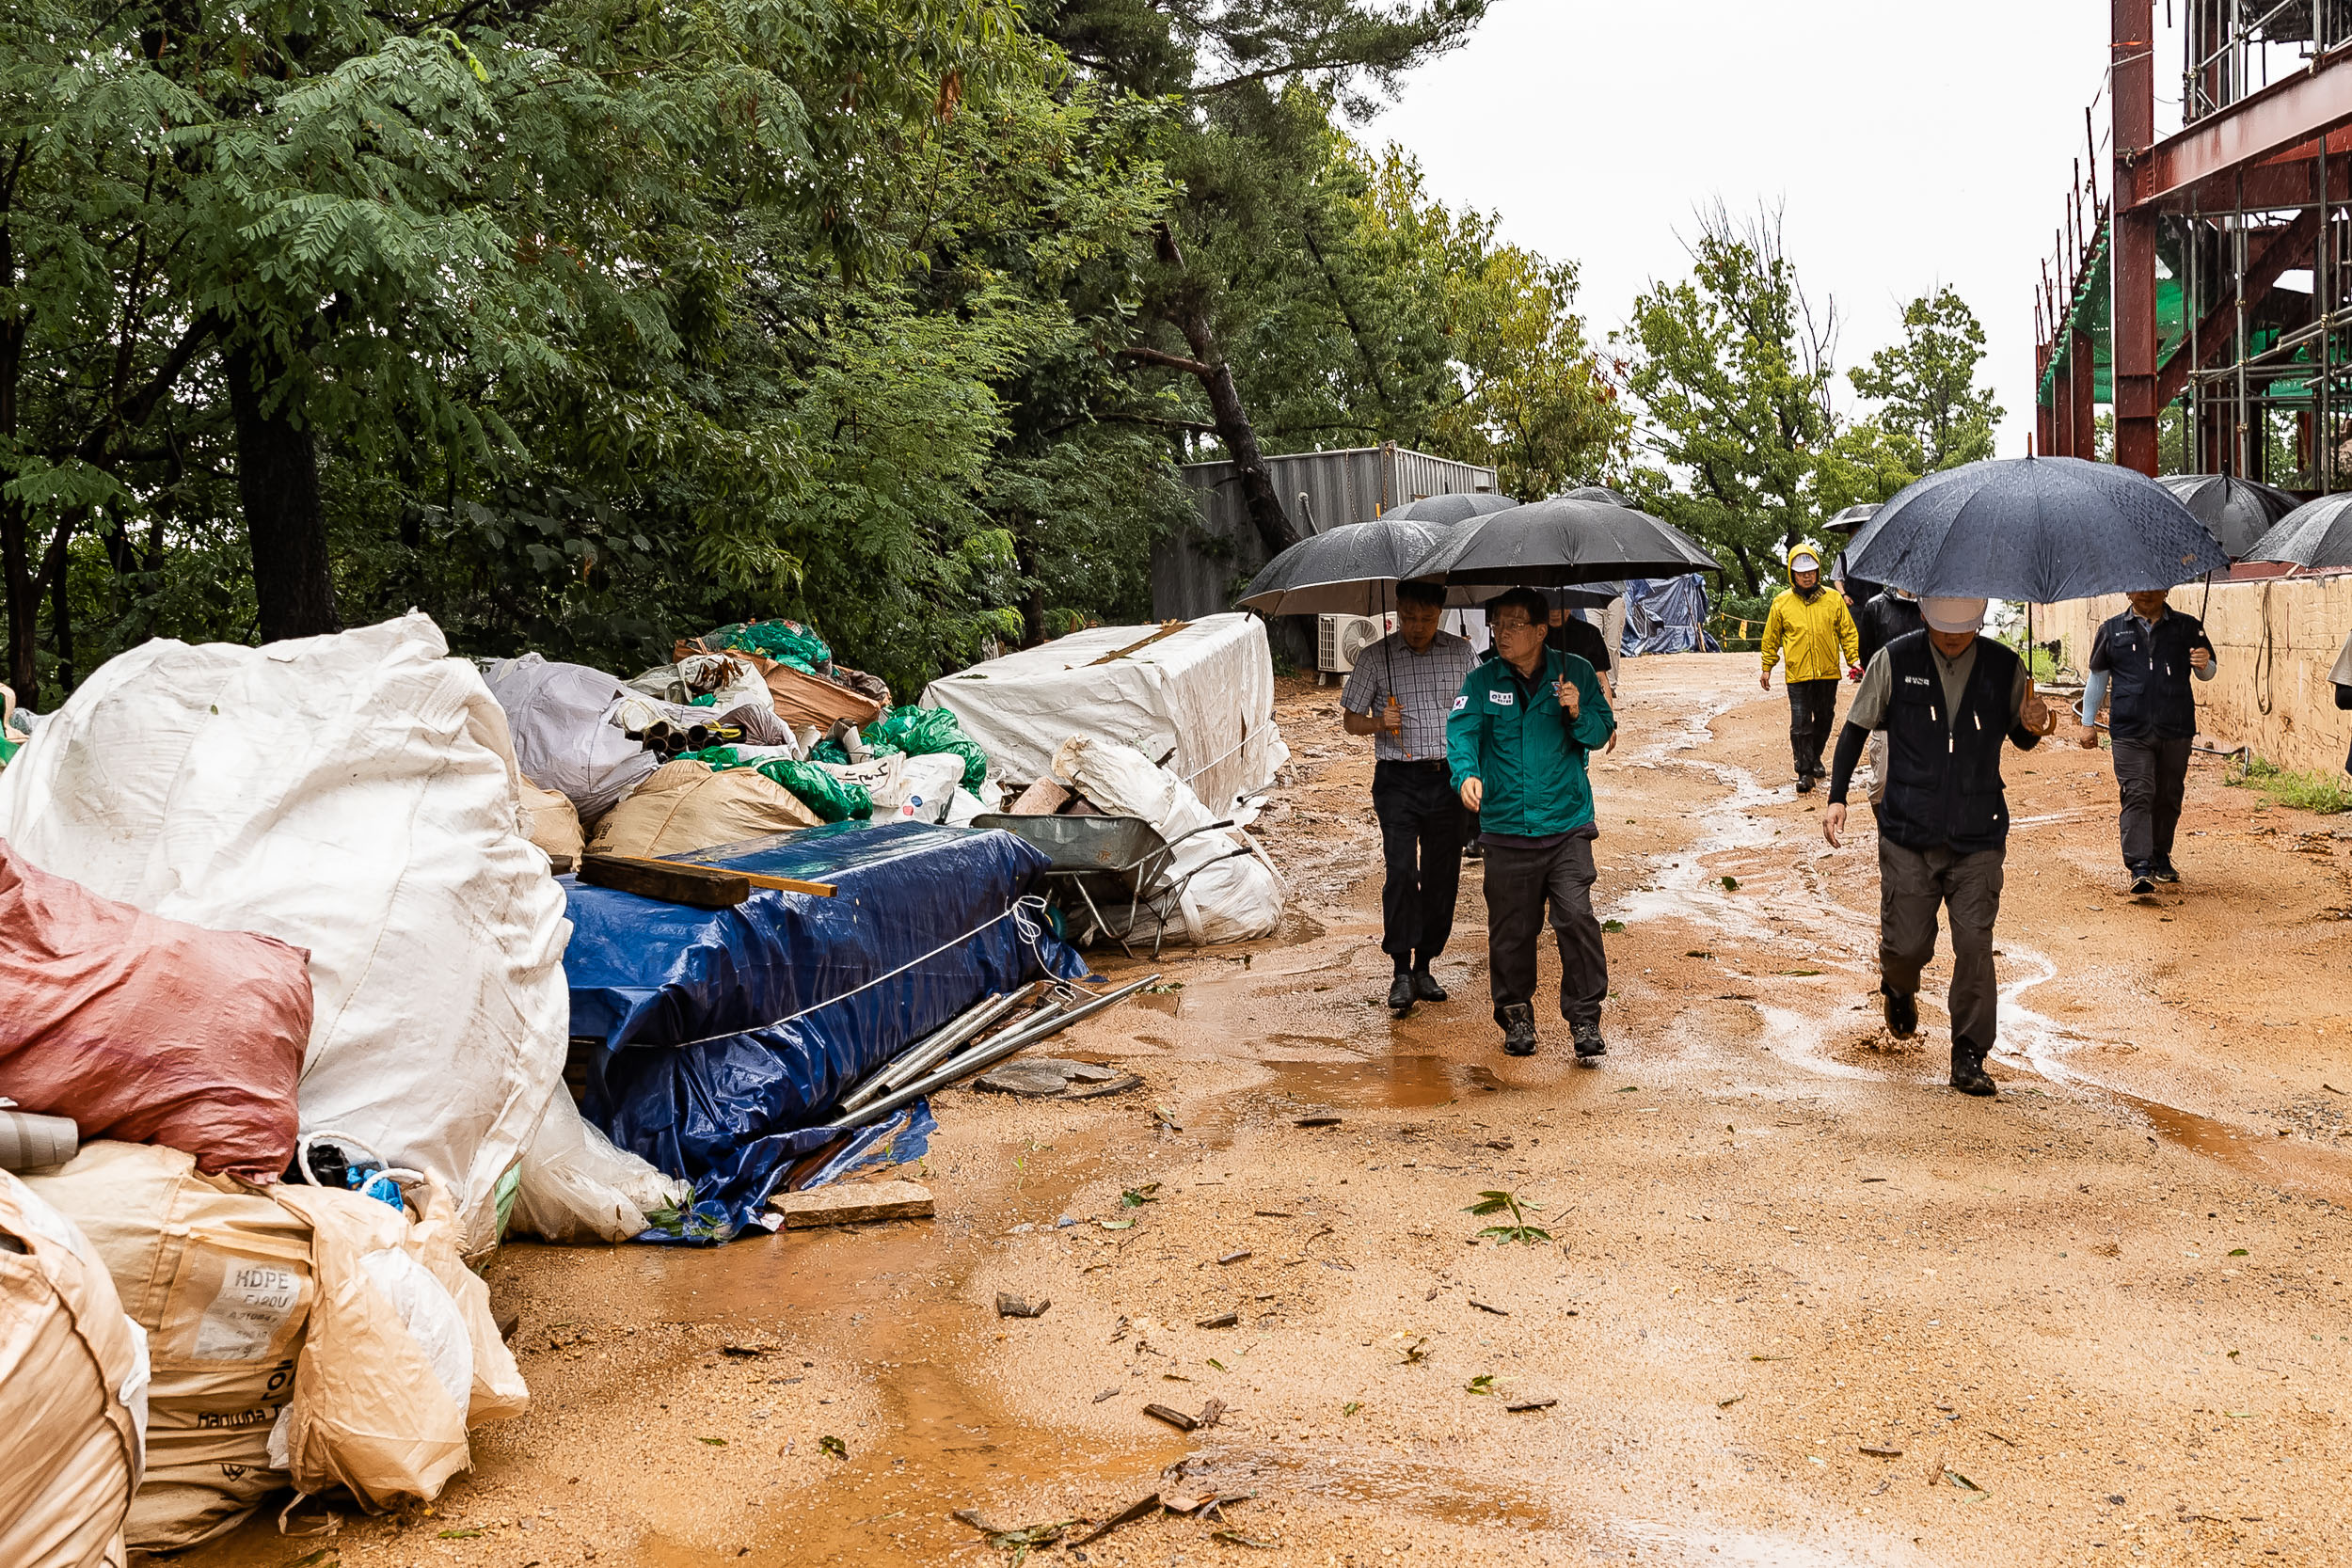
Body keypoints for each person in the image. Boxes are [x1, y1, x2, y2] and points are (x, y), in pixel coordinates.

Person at [1821, 597, 2058, 1097]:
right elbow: (1855, 728)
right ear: (1926, 616)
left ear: (1979, 618)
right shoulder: (1895, 659)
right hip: (1909, 828)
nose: (1952, 640)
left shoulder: (2005, 666)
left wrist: (2036, 723)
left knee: (1974, 945)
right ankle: (1899, 986)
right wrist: (1837, 795)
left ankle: (1969, 1053)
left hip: (1979, 833)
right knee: (1906, 947)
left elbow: (2022, 736)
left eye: (1963, 631)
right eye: (1943, 631)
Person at [1446, 587, 1618, 1060]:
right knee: (1512, 929)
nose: (1501, 632)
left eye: (1514, 624)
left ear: (1541, 630)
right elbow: (1461, 733)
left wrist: (1578, 710)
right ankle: (1516, 1013)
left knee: (1576, 916)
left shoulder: (1576, 671)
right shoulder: (1481, 681)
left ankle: (1585, 1017)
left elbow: (1603, 731)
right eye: (1497, 623)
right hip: (1506, 828)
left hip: (1566, 824)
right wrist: (1467, 774)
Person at [1341, 580, 1478, 1011]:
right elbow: (1350, 721)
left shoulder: (1461, 654)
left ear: (1441, 612)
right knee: (1401, 871)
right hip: (1398, 780)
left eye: (1426, 618)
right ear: (1396, 611)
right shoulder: (1374, 656)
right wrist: (1380, 722)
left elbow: (1480, 714)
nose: (1417, 627)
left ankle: (1425, 964)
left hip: (1447, 780)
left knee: (1442, 876)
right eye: (1408, 618)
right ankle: (1400, 968)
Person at [2075, 589, 2217, 895]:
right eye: (2138, 587)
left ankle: (2160, 855)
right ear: (2127, 591)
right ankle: (2140, 866)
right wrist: (2088, 722)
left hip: (2175, 725)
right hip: (2130, 728)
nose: (2146, 593)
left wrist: (2203, 663)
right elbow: (2097, 678)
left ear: (2166, 589)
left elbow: (2208, 673)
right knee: (2138, 792)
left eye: (2154, 586)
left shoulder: (2188, 627)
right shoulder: (2111, 630)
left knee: (2168, 794)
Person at [1759, 542, 1862, 792]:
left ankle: (1815, 757)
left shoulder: (1833, 599)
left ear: (1817, 571)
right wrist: (1767, 666)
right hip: (1798, 674)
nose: (1807, 576)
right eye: (1801, 572)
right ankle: (1804, 771)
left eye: (1811, 571)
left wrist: (1854, 659)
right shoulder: (1781, 603)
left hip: (1827, 672)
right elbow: (1771, 636)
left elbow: (1847, 632)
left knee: (1825, 717)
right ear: (1792, 574)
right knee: (1800, 723)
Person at [1851, 586, 1927, 806]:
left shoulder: (1935, 607)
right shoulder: (1876, 607)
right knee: (1882, 782)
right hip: (1887, 711)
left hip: (1925, 708)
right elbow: (1867, 658)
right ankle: (1885, 833)